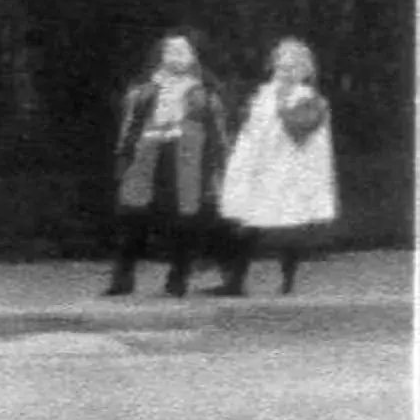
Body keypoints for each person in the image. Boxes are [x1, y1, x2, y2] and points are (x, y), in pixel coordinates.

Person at [105, 28, 230, 298]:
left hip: (188, 163)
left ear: (193, 57)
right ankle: (123, 277)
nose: (175, 56)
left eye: (182, 50)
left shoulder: (204, 94)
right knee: (133, 218)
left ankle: (178, 277)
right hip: (147, 160)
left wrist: (219, 167)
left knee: (184, 221)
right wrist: (123, 158)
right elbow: (129, 128)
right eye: (169, 50)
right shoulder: (144, 91)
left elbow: (218, 134)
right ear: (159, 56)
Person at [213, 36, 337, 296]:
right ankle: (236, 280)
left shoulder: (309, 98)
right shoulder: (262, 94)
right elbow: (250, 128)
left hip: (288, 169)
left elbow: (301, 129)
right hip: (258, 167)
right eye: (281, 66)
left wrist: (282, 105)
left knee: (289, 225)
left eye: (293, 67)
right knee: (247, 222)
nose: (285, 72)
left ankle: (287, 280)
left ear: (304, 70)